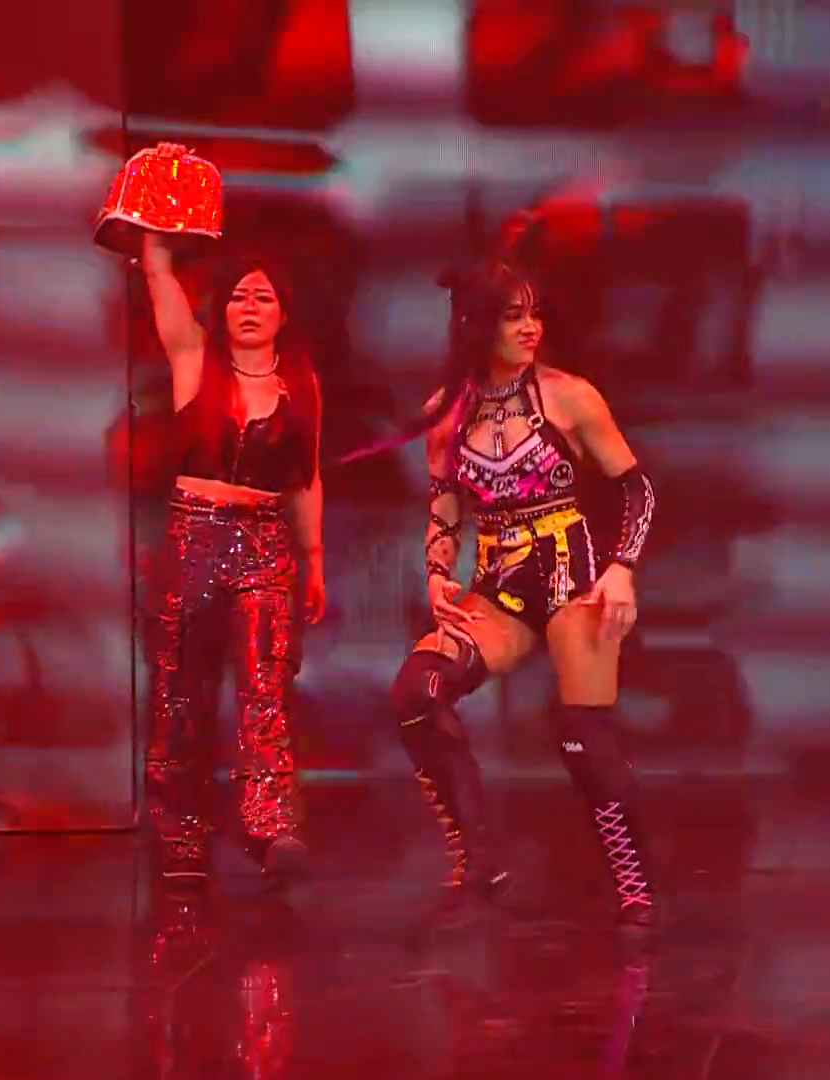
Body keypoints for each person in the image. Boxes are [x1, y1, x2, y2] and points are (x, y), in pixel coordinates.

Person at [385, 258, 657, 926]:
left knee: (582, 736)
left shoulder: (569, 396)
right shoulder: (447, 414)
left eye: (535, 314)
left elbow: (638, 488)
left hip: (573, 578)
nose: (531, 328)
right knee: (417, 692)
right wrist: (437, 574)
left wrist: (622, 567)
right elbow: (444, 508)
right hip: (499, 587)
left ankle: (636, 889)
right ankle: (479, 861)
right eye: (514, 317)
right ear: (478, 326)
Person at [136, 219, 327, 888]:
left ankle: (270, 829)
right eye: (240, 296)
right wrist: (153, 245)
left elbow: (307, 477)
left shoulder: (299, 383)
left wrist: (315, 558)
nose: (249, 307)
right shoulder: (196, 360)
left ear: (283, 313)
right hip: (195, 536)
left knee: (266, 687)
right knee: (181, 690)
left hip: (266, 541)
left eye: (263, 297)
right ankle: (180, 833)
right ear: (222, 309)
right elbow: (162, 288)